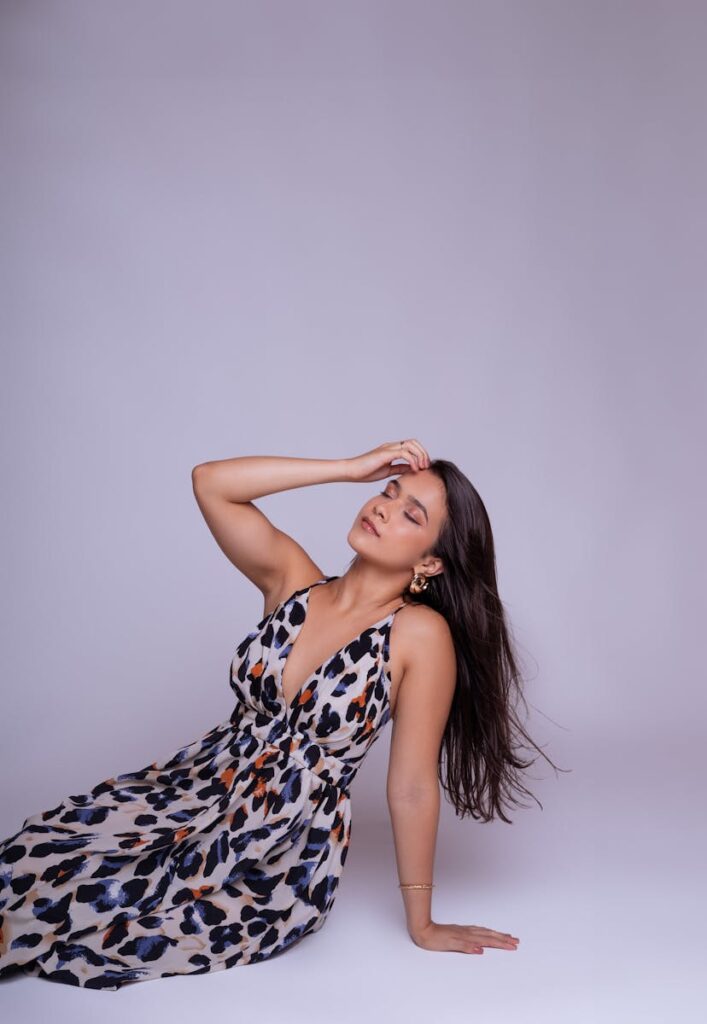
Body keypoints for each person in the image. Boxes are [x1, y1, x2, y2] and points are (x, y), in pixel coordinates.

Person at [0, 439, 550, 990]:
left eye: (411, 513)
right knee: (40, 852)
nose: (382, 506)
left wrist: (422, 922)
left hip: (277, 839)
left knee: (104, 904)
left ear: (430, 561)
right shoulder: (294, 582)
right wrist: (348, 468)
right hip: (196, 785)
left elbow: (410, 787)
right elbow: (210, 481)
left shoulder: (419, 635)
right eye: (387, 491)